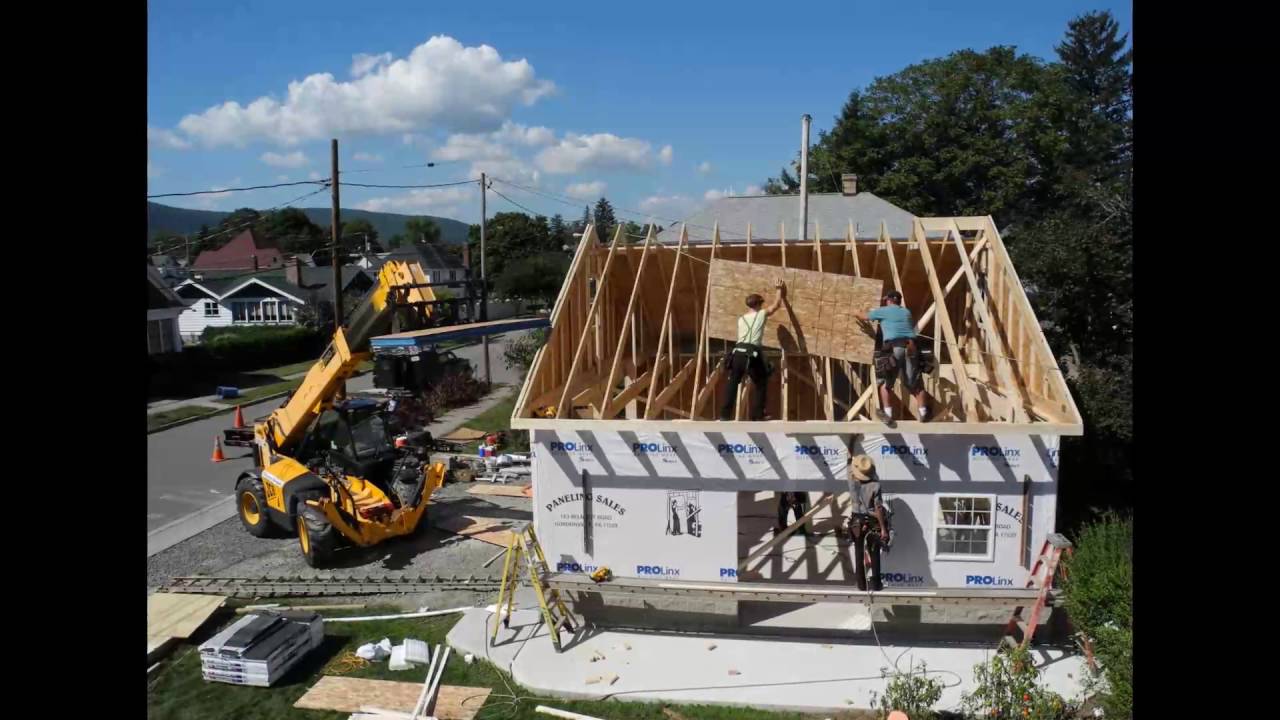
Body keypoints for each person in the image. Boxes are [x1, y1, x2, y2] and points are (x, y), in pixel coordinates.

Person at [856, 290, 929, 424]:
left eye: (886, 300)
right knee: (915, 384)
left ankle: (888, 414)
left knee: (885, 384)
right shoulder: (906, 312)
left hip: (895, 349)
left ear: (889, 300)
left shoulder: (884, 311)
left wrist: (855, 312)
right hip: (911, 348)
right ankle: (924, 412)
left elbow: (863, 317)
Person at [720, 280, 786, 420]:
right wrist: (779, 289)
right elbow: (776, 305)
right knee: (761, 382)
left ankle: (724, 416)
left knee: (732, 383)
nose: (762, 306)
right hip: (752, 353)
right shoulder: (760, 314)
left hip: (737, 353)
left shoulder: (741, 319)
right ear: (757, 304)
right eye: (761, 304)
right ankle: (757, 416)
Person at [846, 454, 890, 591]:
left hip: (856, 523)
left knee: (859, 553)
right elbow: (878, 508)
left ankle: (861, 585)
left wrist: (851, 443)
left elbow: (848, 462)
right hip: (872, 522)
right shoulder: (875, 485)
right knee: (874, 553)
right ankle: (876, 585)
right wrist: (883, 528)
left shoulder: (851, 481)